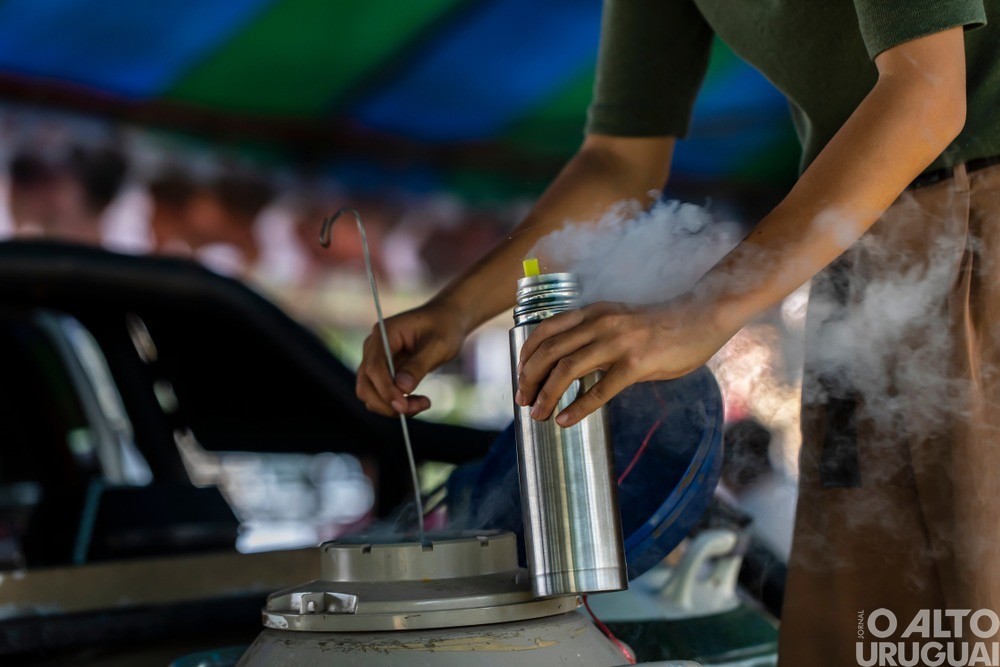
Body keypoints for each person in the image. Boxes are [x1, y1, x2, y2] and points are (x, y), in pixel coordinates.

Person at [357, 2, 1000, 664]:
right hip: (859, 253)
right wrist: (458, 310)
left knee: (981, 601)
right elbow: (619, 162)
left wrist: (704, 310)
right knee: (870, 624)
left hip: (985, 231)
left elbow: (926, 92)